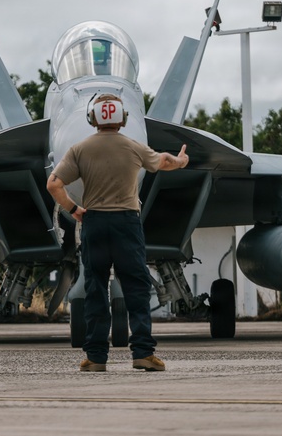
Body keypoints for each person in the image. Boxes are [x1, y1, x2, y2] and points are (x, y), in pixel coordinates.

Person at [46, 94, 190, 372]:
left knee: (95, 288)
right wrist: (181, 161)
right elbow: (163, 162)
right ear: (122, 119)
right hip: (127, 225)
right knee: (136, 289)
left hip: (94, 224)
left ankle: (96, 358)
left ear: (93, 119)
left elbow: (54, 184)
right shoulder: (133, 147)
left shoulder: (80, 149)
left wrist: (74, 209)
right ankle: (143, 354)